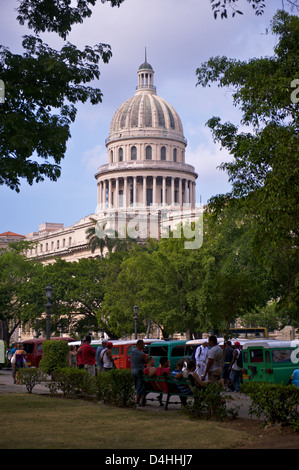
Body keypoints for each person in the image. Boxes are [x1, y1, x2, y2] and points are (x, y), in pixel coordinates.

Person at [131, 339, 147, 407]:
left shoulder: (132, 351)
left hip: (133, 370)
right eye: (143, 344)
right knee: (139, 386)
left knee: (136, 386)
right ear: (140, 344)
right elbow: (145, 361)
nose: (144, 346)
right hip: (139, 371)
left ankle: (138, 400)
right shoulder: (142, 354)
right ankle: (137, 402)